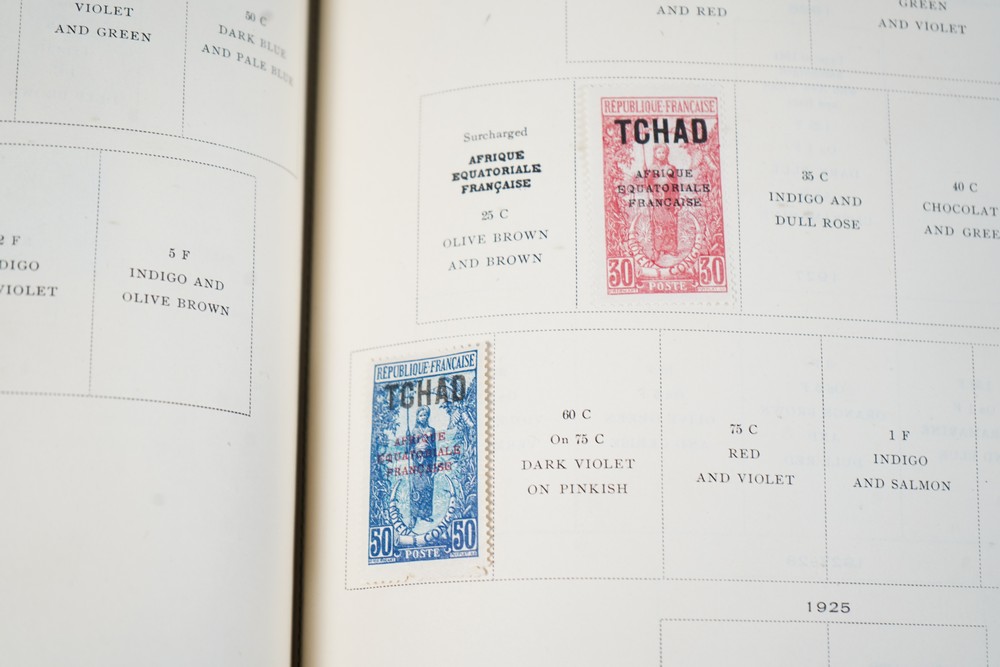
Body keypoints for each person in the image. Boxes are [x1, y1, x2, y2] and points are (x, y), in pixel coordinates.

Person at [408, 406, 437, 526]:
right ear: (417, 417)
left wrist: (434, 465)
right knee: (416, 488)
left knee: (428, 488)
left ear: (428, 416)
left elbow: (434, 448)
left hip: (428, 462)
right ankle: (414, 515)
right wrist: (415, 447)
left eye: (425, 415)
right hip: (417, 463)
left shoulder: (431, 430)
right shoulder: (414, 431)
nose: (423, 417)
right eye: (420, 415)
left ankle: (425, 514)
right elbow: (409, 448)